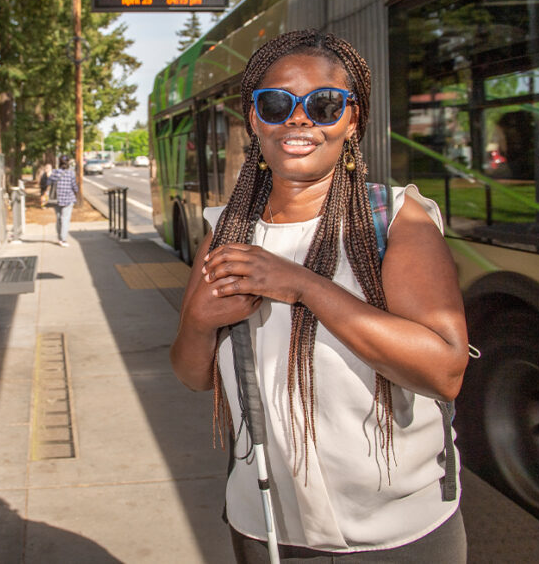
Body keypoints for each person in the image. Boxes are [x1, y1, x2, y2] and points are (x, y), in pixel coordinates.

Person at [170, 30, 470, 562]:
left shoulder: (398, 219)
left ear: (351, 120)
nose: (299, 119)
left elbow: (444, 369)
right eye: (277, 103)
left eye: (324, 104)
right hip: (267, 527)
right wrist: (197, 321)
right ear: (254, 118)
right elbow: (193, 376)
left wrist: (303, 285)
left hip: (400, 536)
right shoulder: (226, 232)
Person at [47, 155, 78, 247]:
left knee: (59, 218)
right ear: (68, 163)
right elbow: (74, 187)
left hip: (57, 199)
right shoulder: (71, 173)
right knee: (65, 219)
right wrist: (77, 191)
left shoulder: (55, 172)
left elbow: (48, 182)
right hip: (68, 199)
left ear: (59, 163)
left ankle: (59, 237)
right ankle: (63, 239)